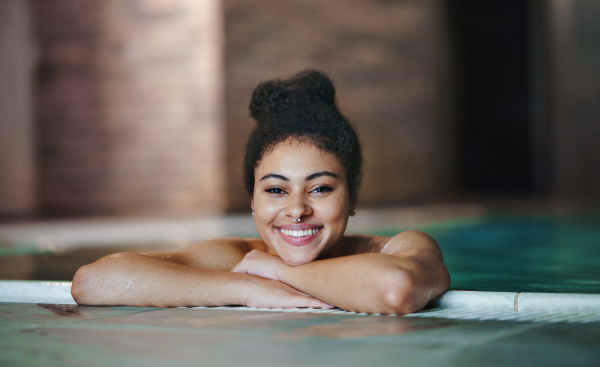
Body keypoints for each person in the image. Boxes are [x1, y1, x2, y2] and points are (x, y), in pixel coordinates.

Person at [71, 69, 450, 314]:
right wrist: (247, 287)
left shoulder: (397, 248)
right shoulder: (236, 258)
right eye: (276, 190)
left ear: (352, 198)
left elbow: (396, 288)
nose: (297, 209)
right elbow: (94, 281)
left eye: (319, 188)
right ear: (252, 200)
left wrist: (274, 269)